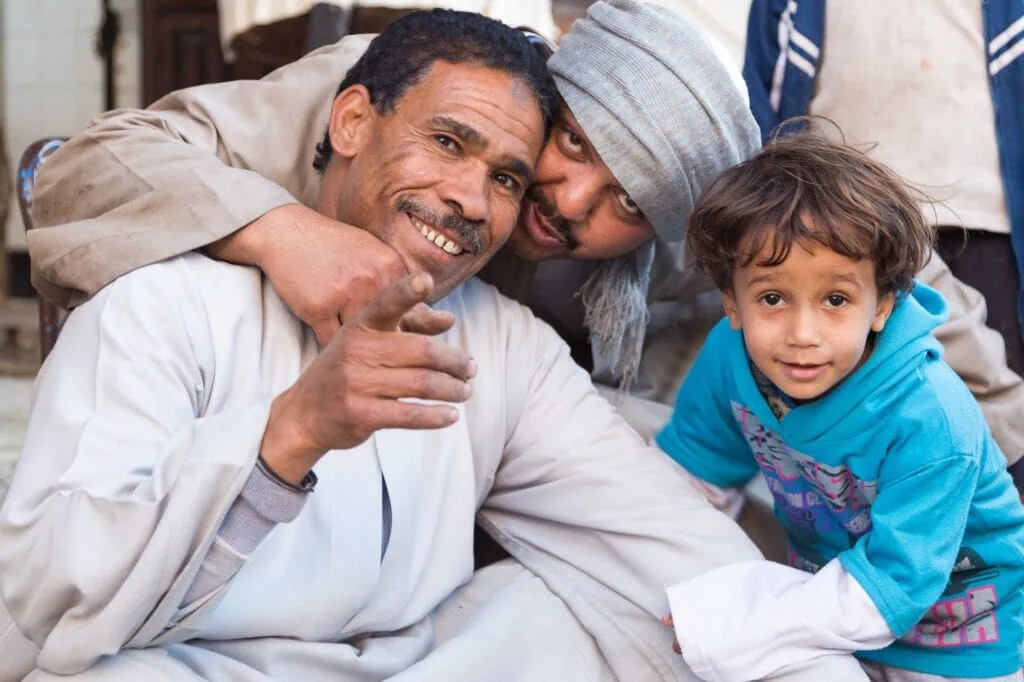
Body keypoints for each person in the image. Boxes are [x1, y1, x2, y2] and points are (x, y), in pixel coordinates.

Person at [0, 8, 871, 682]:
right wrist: (287, 430)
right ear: (350, 123)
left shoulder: (510, 346)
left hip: (420, 653)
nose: (478, 198)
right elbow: (43, 604)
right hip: (179, 660)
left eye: (505, 177)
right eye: (449, 144)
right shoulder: (166, 298)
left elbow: (674, 551)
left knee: (610, 607)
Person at [24, 3, 1024, 466]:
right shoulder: (432, 86)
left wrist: (986, 472)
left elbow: (913, 305)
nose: (574, 200)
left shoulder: (715, 218)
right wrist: (286, 233)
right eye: (572, 140)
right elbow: (81, 169)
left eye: (630, 200)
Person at [657, 134, 1024, 682]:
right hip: (825, 599)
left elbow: (892, 588)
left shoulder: (931, 419)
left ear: (883, 306)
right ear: (731, 302)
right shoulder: (731, 358)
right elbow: (689, 480)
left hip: (960, 640)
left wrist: (734, 620)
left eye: (836, 300)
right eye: (772, 298)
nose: (802, 335)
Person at [743, 0, 1024, 492]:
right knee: (848, 408)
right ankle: (870, 547)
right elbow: (761, 97)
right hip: (839, 225)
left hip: (987, 221)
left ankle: (1000, 541)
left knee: (990, 402)